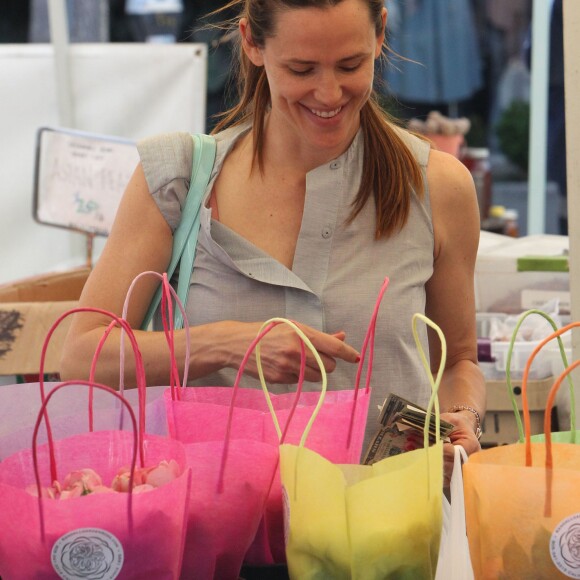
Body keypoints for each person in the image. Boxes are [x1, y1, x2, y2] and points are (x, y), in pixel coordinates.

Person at [61, 0, 485, 483]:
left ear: (380, 34)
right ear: (251, 43)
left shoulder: (437, 186)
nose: (329, 92)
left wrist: (462, 418)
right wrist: (228, 344)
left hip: (385, 533)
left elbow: (458, 360)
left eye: (351, 65)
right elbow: (82, 358)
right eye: (301, 69)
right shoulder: (179, 178)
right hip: (216, 537)